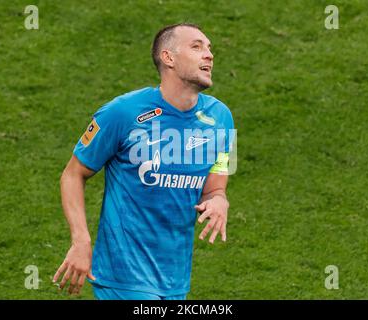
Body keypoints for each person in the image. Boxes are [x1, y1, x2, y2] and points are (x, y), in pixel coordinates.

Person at [53, 23, 235, 300]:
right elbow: (72, 174)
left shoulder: (222, 118)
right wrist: (80, 241)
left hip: (175, 279)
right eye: (197, 46)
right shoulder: (122, 112)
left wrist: (220, 199)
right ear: (168, 58)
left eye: (209, 48)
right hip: (123, 276)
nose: (209, 54)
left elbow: (216, 187)